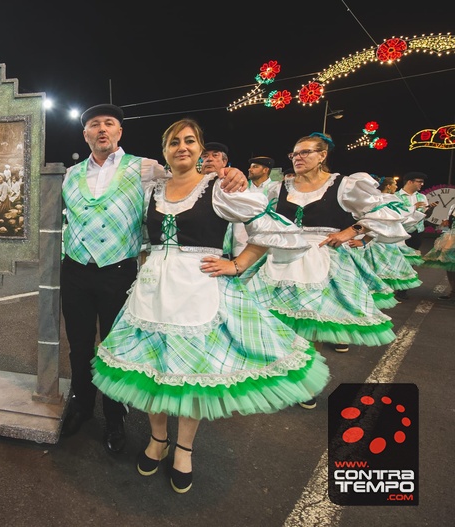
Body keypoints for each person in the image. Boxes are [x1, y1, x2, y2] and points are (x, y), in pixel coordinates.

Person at [91, 118, 328, 493]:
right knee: (150, 371)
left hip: (200, 290)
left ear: (201, 149)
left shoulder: (219, 188)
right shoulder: (152, 188)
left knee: (193, 377)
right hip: (152, 292)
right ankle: (158, 440)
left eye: (189, 141)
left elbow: (270, 230)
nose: (181, 147)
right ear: (165, 150)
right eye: (173, 142)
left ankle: (183, 448)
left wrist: (238, 264)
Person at [60, 105, 246, 454]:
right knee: (80, 344)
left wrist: (231, 173)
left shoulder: (147, 168)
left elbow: (184, 180)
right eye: (94, 125)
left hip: (120, 271)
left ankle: (115, 416)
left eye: (109, 124)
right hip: (75, 270)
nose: (102, 129)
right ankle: (82, 405)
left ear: (119, 132)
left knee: (119, 349)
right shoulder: (70, 174)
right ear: (84, 134)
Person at [244, 133, 408, 407]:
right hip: (281, 258)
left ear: (322, 156)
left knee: (312, 325)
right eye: (294, 154)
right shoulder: (276, 188)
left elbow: (392, 209)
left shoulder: (344, 185)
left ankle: (307, 382)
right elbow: (256, 214)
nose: (298, 157)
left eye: (306, 152)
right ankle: (282, 373)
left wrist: (351, 230)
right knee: (273, 320)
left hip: (324, 260)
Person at [349, 175, 423, 302]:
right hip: (370, 238)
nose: (396, 186)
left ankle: (371, 295)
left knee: (375, 269)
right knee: (369, 269)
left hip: (376, 238)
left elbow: (382, 221)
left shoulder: (383, 199)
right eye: (394, 184)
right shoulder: (380, 199)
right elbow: (378, 221)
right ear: (387, 186)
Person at [421, 202, 455, 300]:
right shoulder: (453, 206)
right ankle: (453, 292)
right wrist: (447, 222)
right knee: (449, 265)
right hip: (451, 237)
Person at [396, 172, 437, 251]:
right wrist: (414, 206)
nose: (422, 184)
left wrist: (431, 209)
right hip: (401, 230)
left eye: (423, 182)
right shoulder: (396, 196)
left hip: (417, 232)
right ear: (410, 182)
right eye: (419, 182)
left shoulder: (422, 197)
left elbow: (426, 215)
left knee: (414, 255)